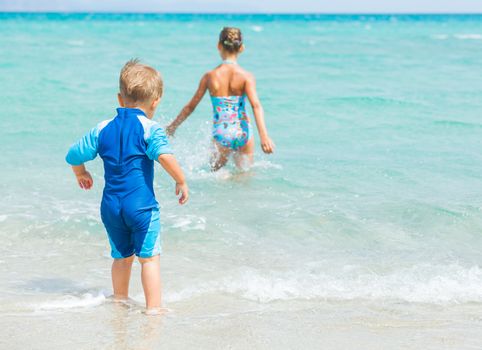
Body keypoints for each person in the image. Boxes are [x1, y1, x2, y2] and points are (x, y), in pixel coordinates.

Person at [65, 59, 188, 315]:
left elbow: (73, 154)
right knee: (149, 259)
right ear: (155, 102)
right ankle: (154, 309)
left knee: (121, 257)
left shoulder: (102, 128)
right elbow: (165, 156)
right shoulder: (150, 128)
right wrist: (181, 180)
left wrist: (81, 173)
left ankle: (119, 300)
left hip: (111, 207)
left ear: (120, 99)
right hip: (141, 207)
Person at [166, 26, 275, 171]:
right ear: (241, 48)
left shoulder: (210, 76)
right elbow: (256, 106)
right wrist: (264, 137)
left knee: (215, 173)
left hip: (222, 133)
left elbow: (190, 107)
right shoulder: (246, 76)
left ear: (219, 46)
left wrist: (173, 126)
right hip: (244, 132)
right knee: (245, 177)